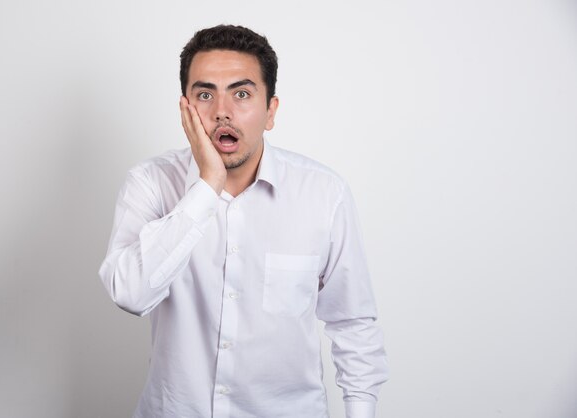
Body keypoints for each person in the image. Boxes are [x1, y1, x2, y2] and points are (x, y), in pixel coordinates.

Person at [99, 24, 388, 418]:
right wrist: (205, 188)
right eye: (205, 94)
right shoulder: (149, 183)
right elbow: (130, 293)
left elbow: (353, 323)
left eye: (241, 93)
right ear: (185, 109)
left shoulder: (323, 195)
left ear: (271, 111)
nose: (222, 112)